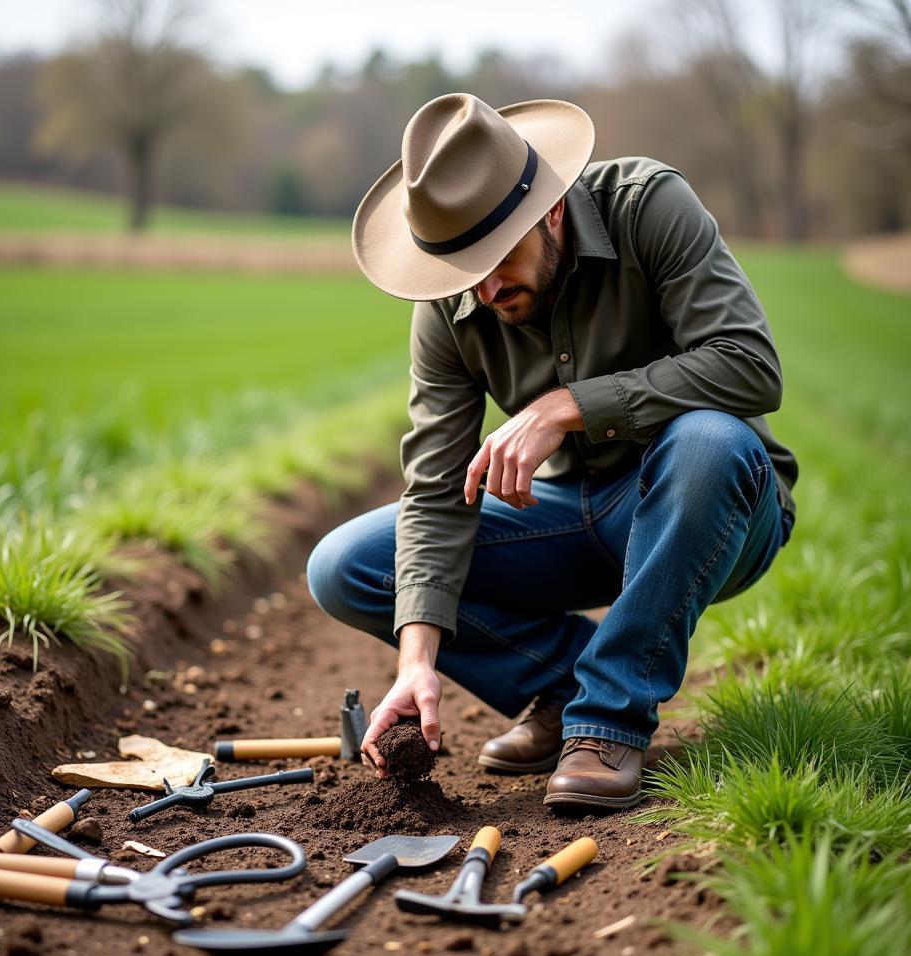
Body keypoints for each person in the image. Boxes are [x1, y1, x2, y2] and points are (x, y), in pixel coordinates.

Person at [306, 93, 797, 809]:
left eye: (499, 259)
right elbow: (436, 491)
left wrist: (566, 407)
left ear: (552, 212)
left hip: (711, 502)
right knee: (346, 567)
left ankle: (607, 723)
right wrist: (417, 660)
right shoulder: (451, 305)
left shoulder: (649, 206)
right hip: (572, 517)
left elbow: (749, 364)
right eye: (461, 271)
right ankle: (565, 689)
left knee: (709, 442)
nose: (486, 289)